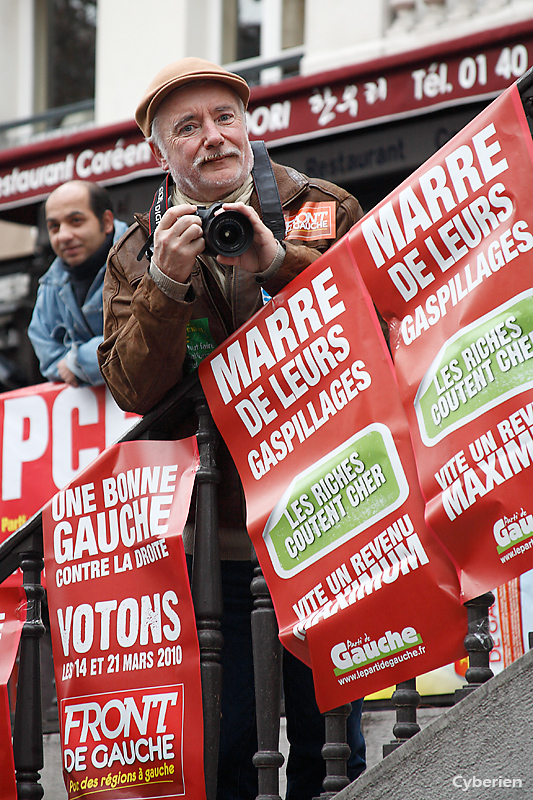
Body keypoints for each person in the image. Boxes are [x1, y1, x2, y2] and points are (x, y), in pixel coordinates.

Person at [97, 57, 366, 799]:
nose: (213, 138)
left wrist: (278, 259)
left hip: (333, 505)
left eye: (224, 117)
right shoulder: (135, 252)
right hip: (218, 533)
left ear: (248, 125)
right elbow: (129, 388)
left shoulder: (321, 205)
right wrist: (164, 284)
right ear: (160, 153)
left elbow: (377, 314)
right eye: (188, 127)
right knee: (234, 739)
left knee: (333, 731)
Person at [28, 180, 128, 387]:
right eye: (54, 227)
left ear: (107, 222)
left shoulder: (145, 256)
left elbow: (147, 336)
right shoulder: (50, 285)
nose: (63, 236)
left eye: (76, 221)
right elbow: (49, 361)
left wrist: (78, 362)